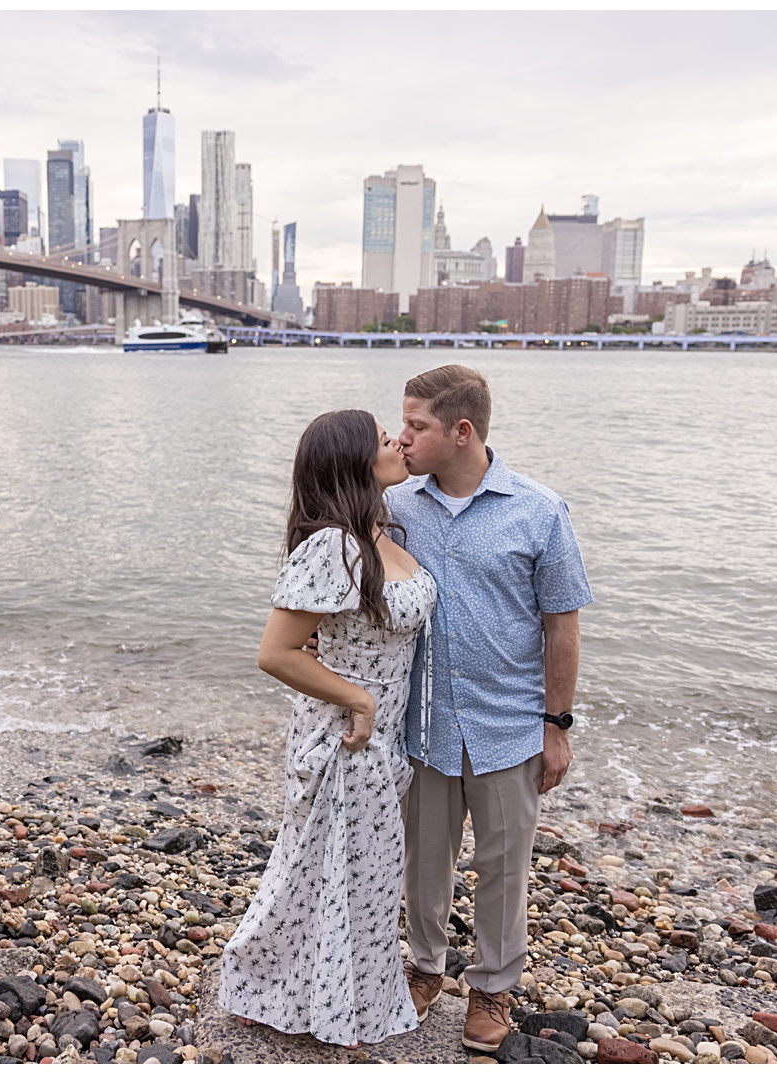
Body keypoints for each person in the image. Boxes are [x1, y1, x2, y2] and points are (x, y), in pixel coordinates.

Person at [218, 409, 438, 1048]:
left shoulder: (381, 534)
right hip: (344, 736)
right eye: (381, 439)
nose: (396, 442)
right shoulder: (335, 544)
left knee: (357, 876)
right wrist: (359, 700)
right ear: (352, 461)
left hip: (383, 735)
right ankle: (302, 995)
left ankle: (334, 995)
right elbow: (276, 652)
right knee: (332, 871)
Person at [389, 364, 591, 1055]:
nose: (402, 436)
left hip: (510, 726)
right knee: (424, 859)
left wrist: (556, 726)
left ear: (461, 431)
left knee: (505, 866)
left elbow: (561, 627)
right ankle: (423, 970)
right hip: (422, 722)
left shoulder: (539, 511)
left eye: (416, 425)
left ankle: (493, 988)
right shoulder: (398, 507)